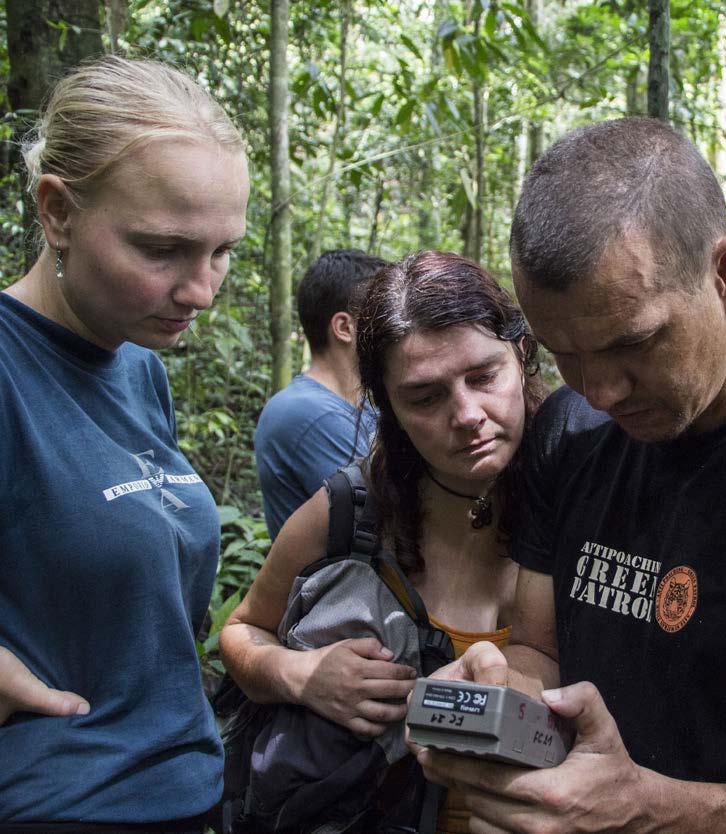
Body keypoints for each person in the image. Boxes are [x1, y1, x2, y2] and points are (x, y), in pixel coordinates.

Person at [412, 117, 726, 832]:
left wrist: (651, 809)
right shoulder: (569, 431)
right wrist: (501, 696)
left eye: (632, 343)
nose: (599, 391)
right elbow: (541, 648)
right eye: (563, 354)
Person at [0, 56, 249, 830]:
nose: (201, 289)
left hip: (190, 788)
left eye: (221, 251)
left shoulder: (140, 369)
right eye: (162, 249)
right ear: (58, 212)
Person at [220, 250, 545, 833]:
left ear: (521, 356)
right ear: (387, 408)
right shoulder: (351, 510)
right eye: (425, 398)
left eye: (484, 376)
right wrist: (301, 675)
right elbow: (242, 631)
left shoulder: (595, 489)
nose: (467, 414)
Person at [254, 249, 387, 541]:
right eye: (381, 315)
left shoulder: (360, 403)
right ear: (344, 327)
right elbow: (392, 517)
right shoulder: (308, 412)